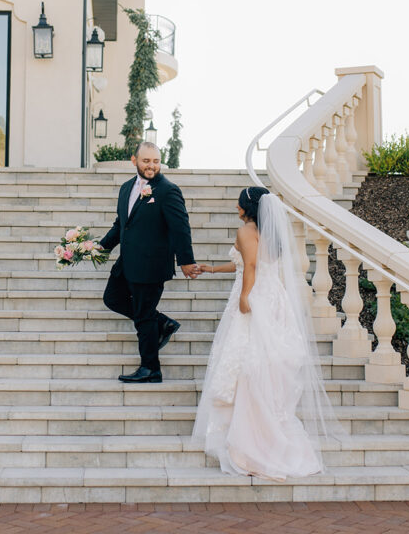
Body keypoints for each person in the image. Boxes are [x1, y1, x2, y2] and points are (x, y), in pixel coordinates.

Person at [192, 186, 335, 480]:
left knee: (248, 360)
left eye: (239, 202)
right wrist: (213, 269)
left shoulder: (247, 230)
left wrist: (245, 296)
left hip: (256, 295)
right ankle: (267, 428)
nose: (236, 205)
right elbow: (245, 262)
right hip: (274, 297)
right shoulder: (269, 233)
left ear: (249, 207)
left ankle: (249, 439)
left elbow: (251, 265)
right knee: (266, 362)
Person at [100, 142, 199, 384]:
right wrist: (101, 248)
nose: (152, 166)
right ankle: (162, 322)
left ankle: (150, 368)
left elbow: (180, 228)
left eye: (156, 161)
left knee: (144, 317)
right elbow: (120, 224)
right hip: (127, 263)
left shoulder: (167, 190)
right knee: (112, 298)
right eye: (146, 161)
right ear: (134, 160)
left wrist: (186, 260)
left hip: (151, 265)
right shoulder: (126, 189)